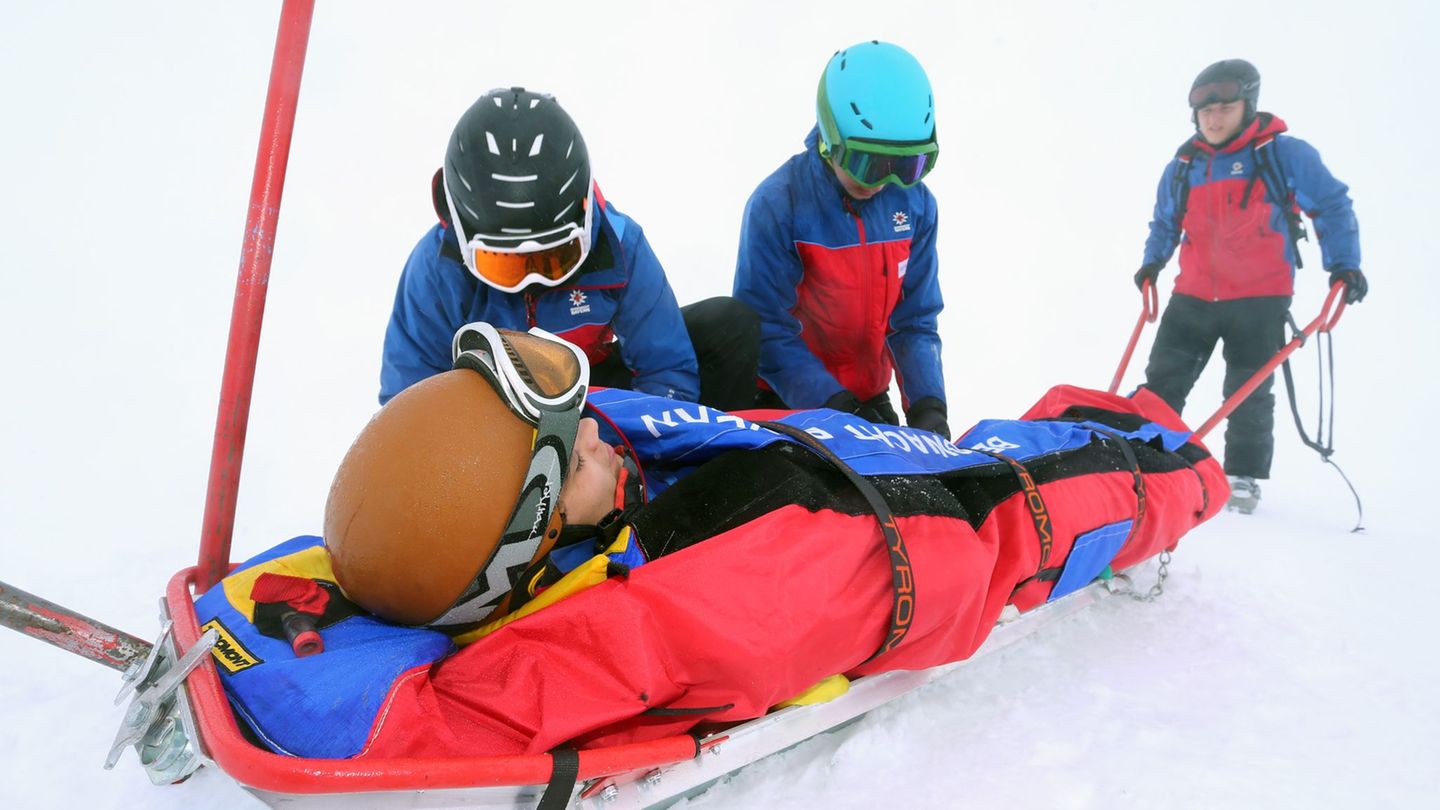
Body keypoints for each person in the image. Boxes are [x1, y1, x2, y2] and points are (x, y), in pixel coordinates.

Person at [195, 322, 1225, 763]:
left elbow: (317, 573)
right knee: (1051, 496)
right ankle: (1179, 463)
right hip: (908, 540)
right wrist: (1184, 480)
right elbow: (419, 730)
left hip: (823, 465)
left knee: (1012, 446)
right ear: (532, 529)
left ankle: (1115, 428)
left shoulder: (505, 529)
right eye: (573, 445)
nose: (596, 425)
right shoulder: (632, 625)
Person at [380, 87, 758, 410]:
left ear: (584, 217)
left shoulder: (619, 244)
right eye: (503, 263)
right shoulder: (436, 271)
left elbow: (666, 369)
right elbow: (408, 405)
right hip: (494, 421)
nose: (532, 279)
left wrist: (629, 459)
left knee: (727, 326)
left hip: (586, 402)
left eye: (554, 258)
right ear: (463, 234)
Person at [1133, 59, 1365, 514]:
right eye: (1205, 112)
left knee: (1248, 391)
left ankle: (1242, 480)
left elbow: (1332, 206)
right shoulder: (1183, 166)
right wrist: (1151, 263)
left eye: (1224, 107)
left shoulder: (1282, 155)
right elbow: (1165, 222)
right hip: (1193, 294)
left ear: (1248, 105)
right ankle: (1142, 460)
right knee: (1162, 383)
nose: (1214, 118)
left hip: (1259, 298)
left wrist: (1344, 266)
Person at [732, 41, 950, 438]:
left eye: (909, 165)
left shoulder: (915, 206)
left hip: (866, 397)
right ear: (830, 139)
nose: (886, 182)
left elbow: (914, 320)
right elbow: (767, 329)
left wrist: (928, 405)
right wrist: (833, 406)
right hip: (790, 396)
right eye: (867, 163)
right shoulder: (780, 204)